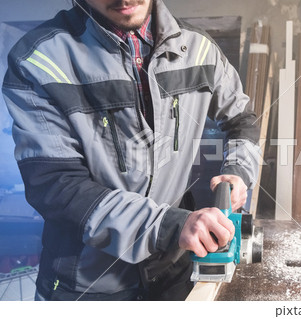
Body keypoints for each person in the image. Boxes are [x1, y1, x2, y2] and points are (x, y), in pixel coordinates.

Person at [2, 0, 259, 301]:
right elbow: (59, 187)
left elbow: (243, 120)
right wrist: (169, 225)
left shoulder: (200, 49)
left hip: (175, 273)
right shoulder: (38, 60)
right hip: (87, 286)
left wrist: (238, 171)